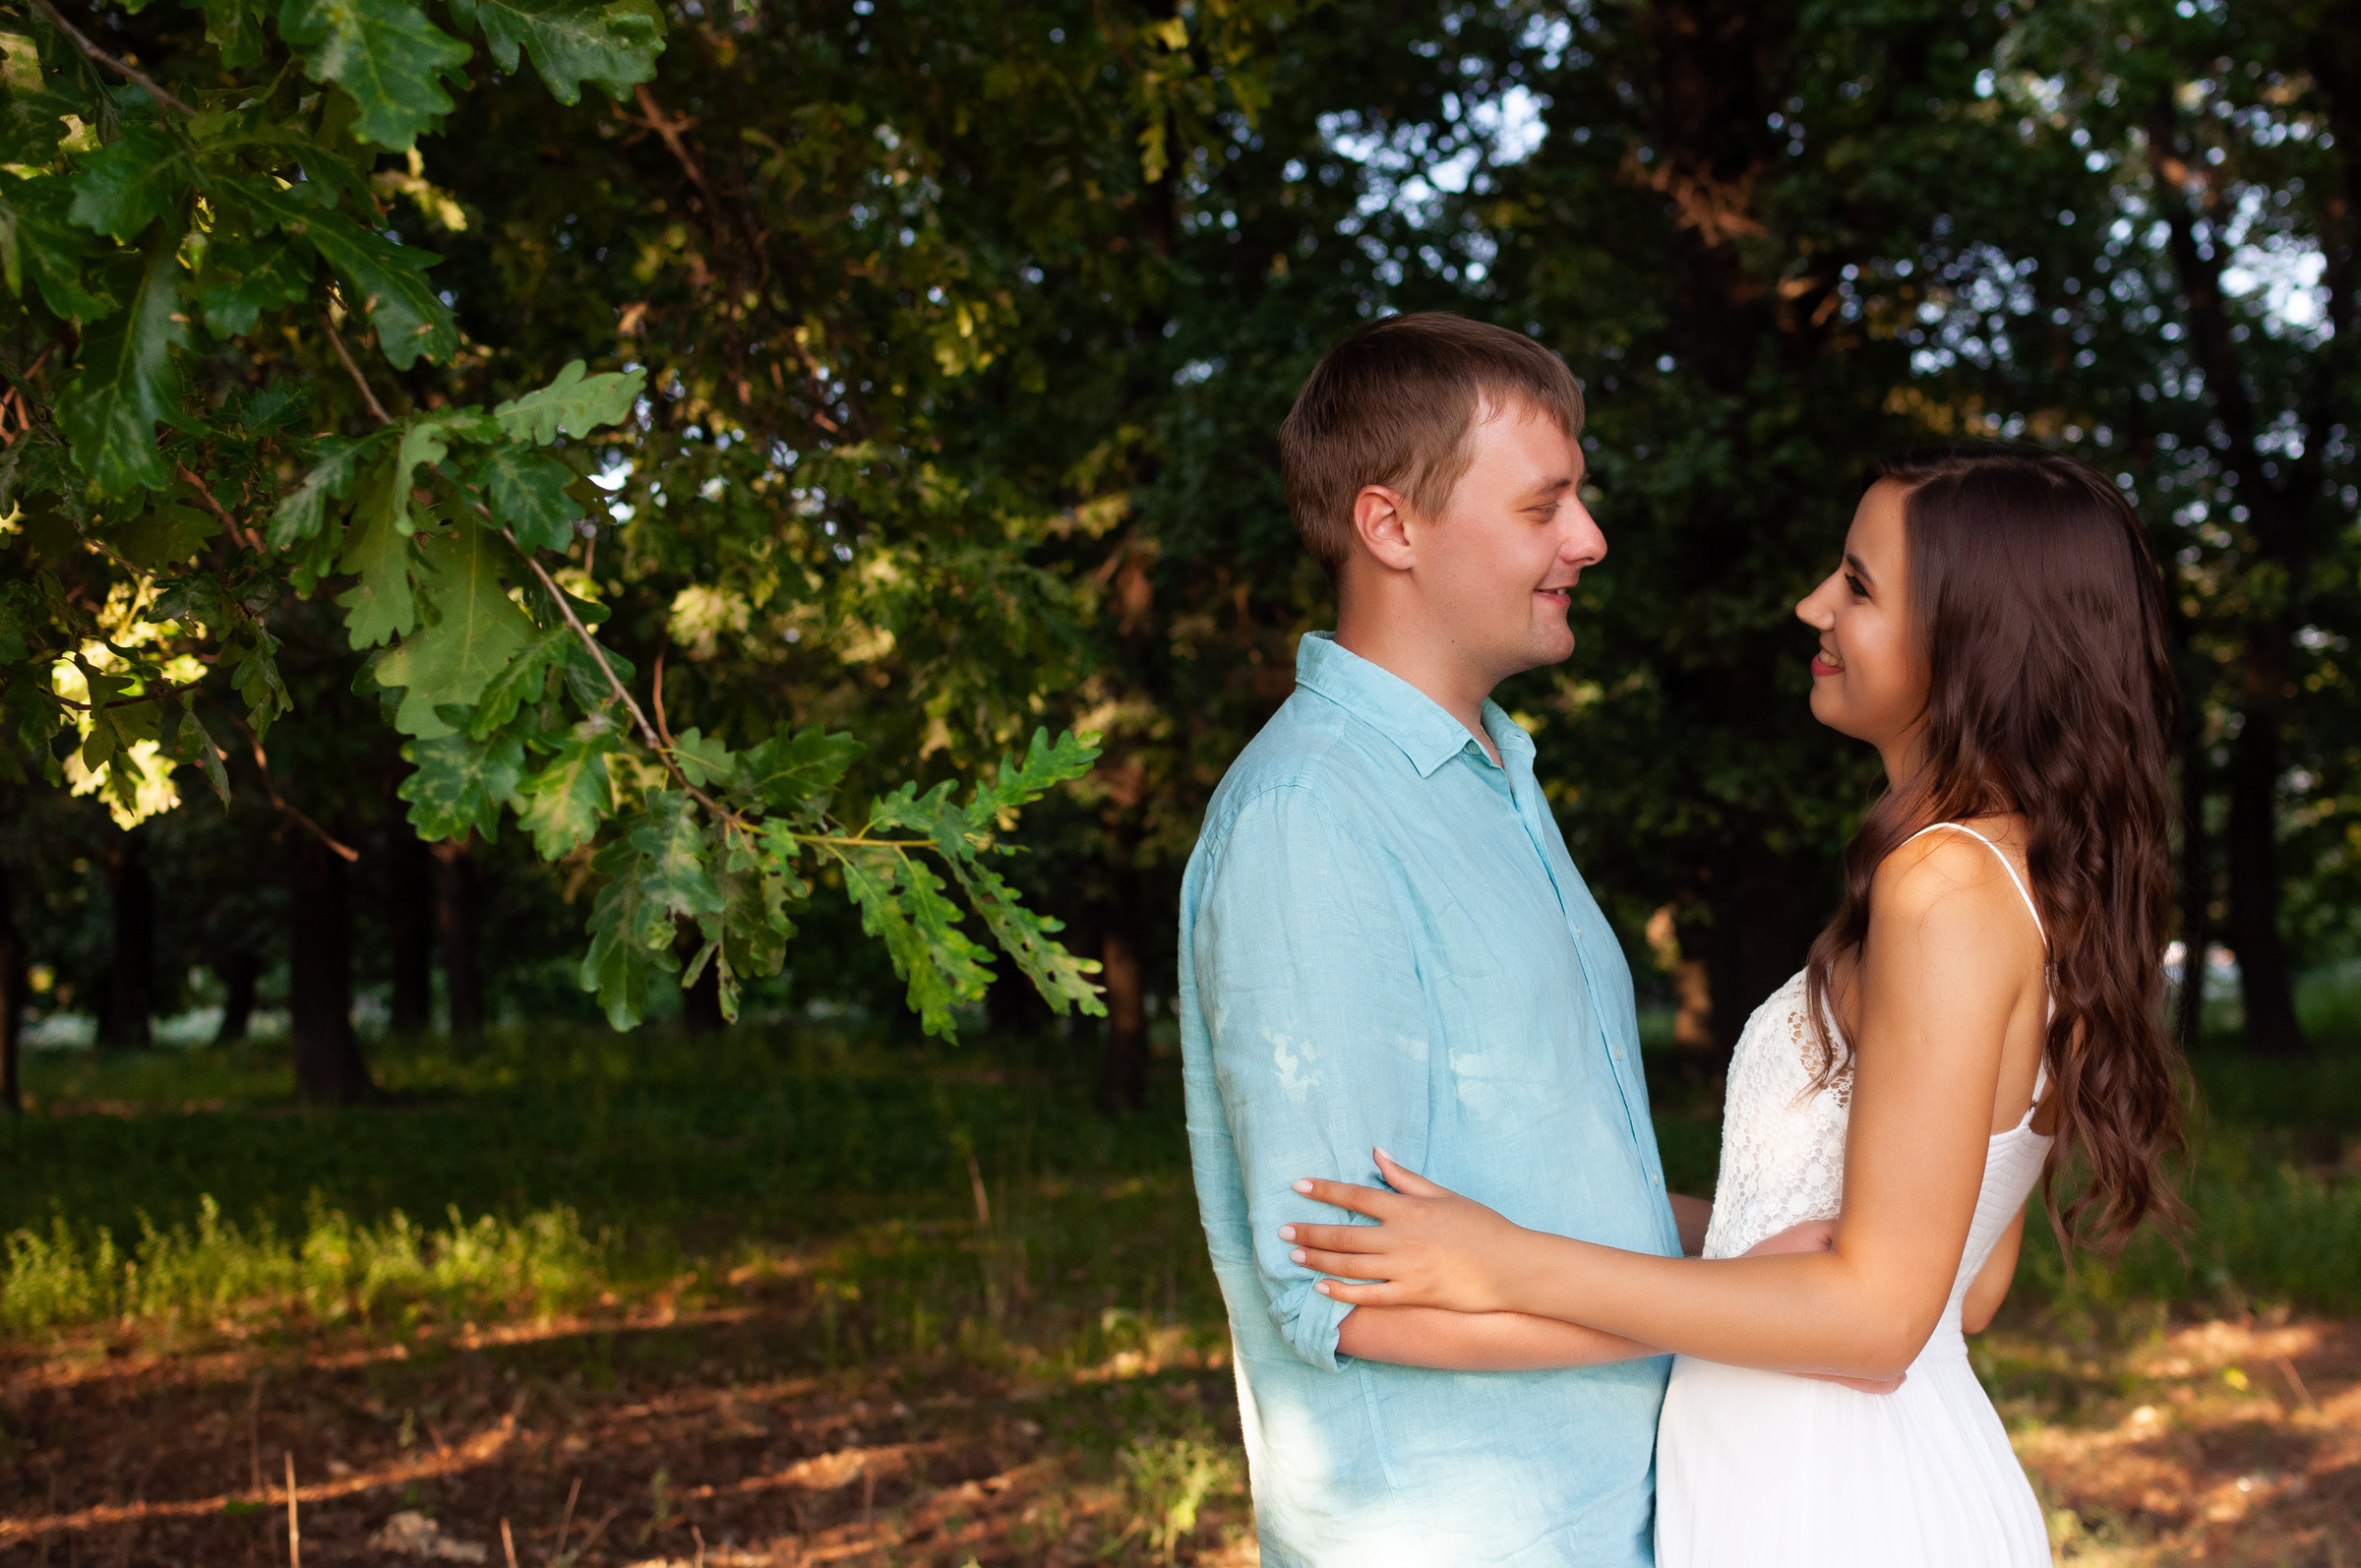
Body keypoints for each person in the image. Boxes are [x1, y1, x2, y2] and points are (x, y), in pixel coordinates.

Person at [1278, 446, 2189, 1566]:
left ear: (1974, 640)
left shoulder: (1944, 887)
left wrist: (1509, 1263)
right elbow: (1969, 1283)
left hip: (1834, 1504)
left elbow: (1880, 1319)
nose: (1813, 604)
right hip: (1831, 1471)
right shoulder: (2024, 875)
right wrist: (1640, 1229)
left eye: (1859, 586)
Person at [1177, 311, 1696, 1567]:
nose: (1589, 538)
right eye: (1544, 506)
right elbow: (1339, 1289)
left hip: (1618, 1518)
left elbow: (1563, 1192)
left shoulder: (1496, 781)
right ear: (1391, 526)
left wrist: (1779, 1231)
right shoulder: (1310, 815)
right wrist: (1737, 1309)